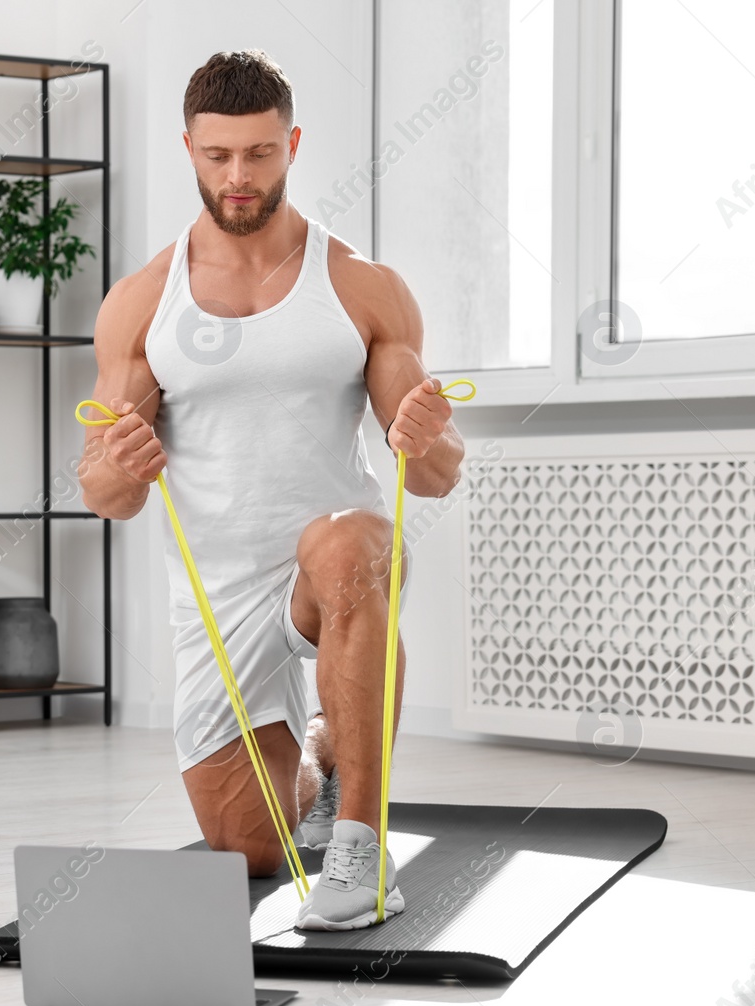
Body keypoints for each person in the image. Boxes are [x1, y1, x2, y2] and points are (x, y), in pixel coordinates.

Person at [77, 50, 466, 930]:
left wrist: (424, 440)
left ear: (291, 143)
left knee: (350, 542)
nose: (239, 176)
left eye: (259, 153)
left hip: (332, 568)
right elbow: (108, 494)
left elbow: (437, 475)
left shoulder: (362, 288)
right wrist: (120, 461)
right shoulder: (142, 304)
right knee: (251, 846)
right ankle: (323, 753)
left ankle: (365, 851)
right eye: (219, 157)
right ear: (189, 150)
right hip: (219, 602)